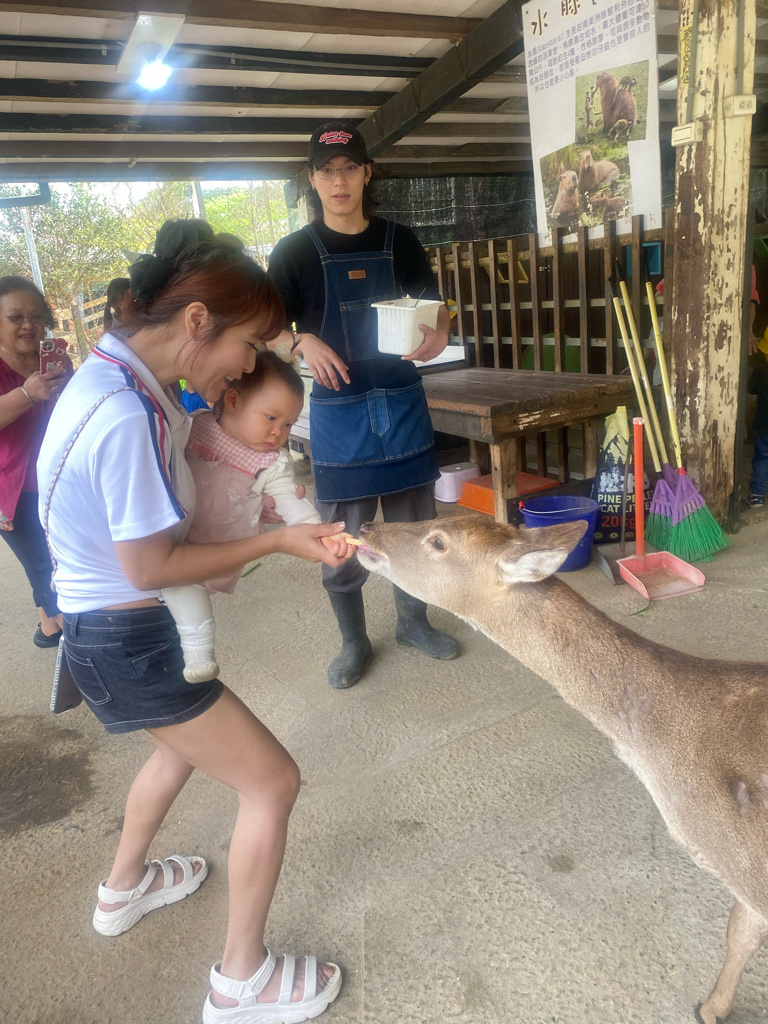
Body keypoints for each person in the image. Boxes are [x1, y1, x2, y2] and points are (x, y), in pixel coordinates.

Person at [37, 220, 353, 1024]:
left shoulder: (114, 377)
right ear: (198, 322)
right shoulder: (127, 416)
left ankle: (122, 889)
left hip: (103, 631)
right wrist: (277, 539)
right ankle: (241, 983)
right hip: (128, 637)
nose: (248, 366)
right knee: (272, 782)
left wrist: (270, 516)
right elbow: (152, 567)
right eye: (249, 345)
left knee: (178, 752)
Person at [268, 121, 459, 689]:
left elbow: (436, 308)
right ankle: (354, 641)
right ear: (311, 179)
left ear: (366, 173)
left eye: (349, 167)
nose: (339, 181)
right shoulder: (294, 252)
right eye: (327, 170)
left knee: (415, 529)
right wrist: (300, 341)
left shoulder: (401, 241)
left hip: (402, 403)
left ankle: (413, 623)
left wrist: (440, 333)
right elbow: (266, 330)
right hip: (339, 412)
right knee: (342, 536)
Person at [162, 349, 323, 683]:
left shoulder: (272, 462)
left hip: (218, 548)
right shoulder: (197, 425)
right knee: (176, 583)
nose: (279, 433)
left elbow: (288, 499)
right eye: (271, 417)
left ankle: (199, 651)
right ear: (233, 401)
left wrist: (314, 528)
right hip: (174, 537)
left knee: (186, 588)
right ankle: (196, 652)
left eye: (288, 424)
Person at [0, 275, 70, 646]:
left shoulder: (56, 357)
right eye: (15, 317)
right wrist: (27, 394)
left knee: (64, 556)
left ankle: (48, 628)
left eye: (36, 315)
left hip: (61, 480)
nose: (28, 325)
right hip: (14, 489)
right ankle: (77, 640)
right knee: (45, 564)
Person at [747, 352, 768, 507]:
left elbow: (751, 389)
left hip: (764, 425)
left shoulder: (761, 371)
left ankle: (757, 495)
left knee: (762, 458)